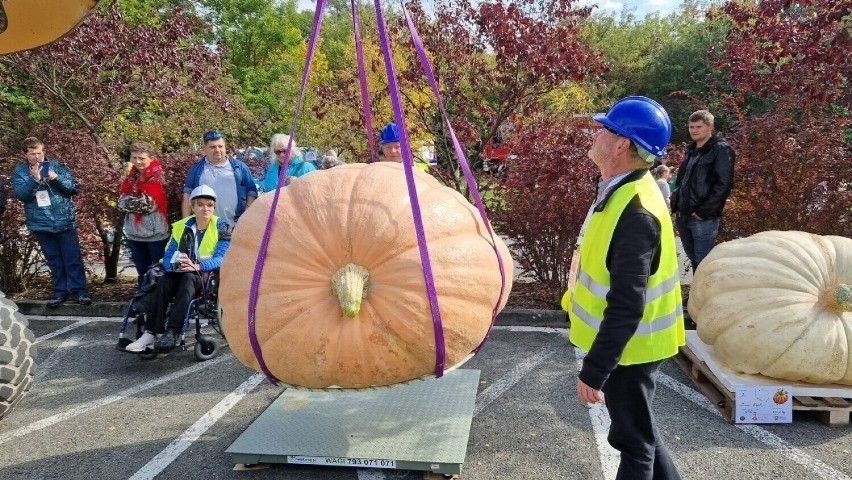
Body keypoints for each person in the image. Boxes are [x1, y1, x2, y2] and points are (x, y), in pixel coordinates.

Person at [562, 96, 685, 479]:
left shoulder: (635, 211)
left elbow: (627, 303)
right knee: (642, 433)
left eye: (605, 128)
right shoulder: (622, 188)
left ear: (621, 145)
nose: (596, 133)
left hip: (632, 349)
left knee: (632, 443)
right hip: (632, 345)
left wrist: (595, 369)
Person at [125, 185, 231, 353]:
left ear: (213, 207)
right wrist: (174, 266)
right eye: (201, 204)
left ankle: (172, 331)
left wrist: (198, 266)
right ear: (192, 207)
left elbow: (222, 257)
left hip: (205, 276)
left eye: (209, 205)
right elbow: (167, 256)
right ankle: (150, 333)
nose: (205, 208)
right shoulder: (181, 227)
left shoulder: (221, 226)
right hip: (181, 272)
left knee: (188, 279)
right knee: (165, 280)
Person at [12, 137, 91, 307]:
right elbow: (21, 195)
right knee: (54, 260)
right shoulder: (20, 172)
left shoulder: (57, 167)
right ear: (25, 154)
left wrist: (55, 178)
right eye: (33, 154)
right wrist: (34, 179)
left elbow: (73, 188)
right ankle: (60, 292)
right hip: (41, 223)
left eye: (40, 153)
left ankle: (80, 292)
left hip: (64, 220)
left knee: (72, 258)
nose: (37, 157)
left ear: (44, 151)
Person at [669, 110, 735, 269]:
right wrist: (676, 205)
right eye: (691, 127)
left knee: (703, 263)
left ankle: (705, 294)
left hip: (703, 218)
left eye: (698, 126)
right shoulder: (691, 150)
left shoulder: (721, 149)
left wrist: (703, 211)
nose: (693, 130)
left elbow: (724, 184)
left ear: (710, 127)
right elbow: (682, 182)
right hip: (683, 215)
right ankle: (696, 293)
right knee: (693, 261)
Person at [118, 141, 169, 286]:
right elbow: (120, 202)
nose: (137, 161)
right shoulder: (132, 176)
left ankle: (158, 302)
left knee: (158, 272)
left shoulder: (157, 176)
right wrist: (129, 201)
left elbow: (148, 205)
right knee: (142, 271)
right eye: (134, 158)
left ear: (151, 158)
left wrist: (127, 201)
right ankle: (143, 300)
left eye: (142, 158)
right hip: (135, 233)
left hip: (155, 234)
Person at [182, 130, 258, 226]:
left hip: (234, 225)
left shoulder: (240, 167)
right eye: (213, 147)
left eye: (220, 146)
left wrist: (245, 217)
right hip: (206, 226)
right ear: (205, 149)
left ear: (225, 147)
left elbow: (251, 192)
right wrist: (185, 225)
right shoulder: (196, 169)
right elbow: (187, 196)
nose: (217, 150)